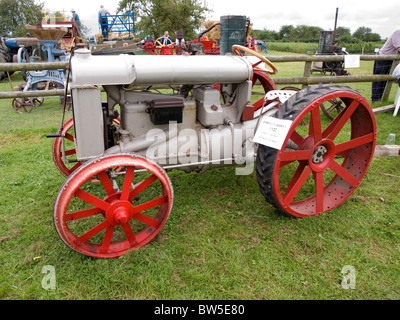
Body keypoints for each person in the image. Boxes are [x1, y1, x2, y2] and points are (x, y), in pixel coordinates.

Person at [372, 29, 400, 102]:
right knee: (379, 79)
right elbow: (399, 48)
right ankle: (376, 100)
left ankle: (382, 99)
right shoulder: (398, 33)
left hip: (392, 60)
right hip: (383, 58)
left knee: (387, 79)